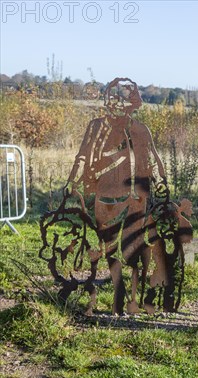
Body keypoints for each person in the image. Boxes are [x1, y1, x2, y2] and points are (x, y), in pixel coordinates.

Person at [64, 78, 171, 314]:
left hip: (137, 196)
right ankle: (118, 292)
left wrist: (162, 181)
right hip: (107, 195)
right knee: (108, 244)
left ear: (132, 103)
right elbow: (82, 156)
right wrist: (72, 181)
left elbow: (154, 157)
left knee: (133, 246)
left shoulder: (141, 129)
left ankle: (133, 299)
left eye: (123, 99)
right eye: (114, 98)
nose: (118, 104)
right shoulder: (96, 127)